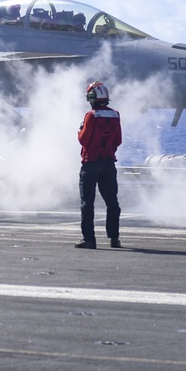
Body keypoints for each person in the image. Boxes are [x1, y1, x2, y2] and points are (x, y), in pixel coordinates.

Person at [76, 81, 122, 249]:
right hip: (109, 162)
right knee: (112, 201)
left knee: (87, 202)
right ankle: (114, 238)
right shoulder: (116, 115)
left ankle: (89, 240)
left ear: (93, 98)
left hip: (91, 162)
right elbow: (118, 140)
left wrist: (80, 129)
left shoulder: (91, 116)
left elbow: (83, 139)